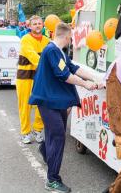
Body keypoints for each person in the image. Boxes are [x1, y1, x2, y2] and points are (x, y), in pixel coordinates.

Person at [29, 23, 99, 193]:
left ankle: (44, 149)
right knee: (58, 135)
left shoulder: (59, 51)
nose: (72, 40)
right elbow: (64, 75)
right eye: (71, 37)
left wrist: (97, 78)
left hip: (56, 100)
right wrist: (86, 85)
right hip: (48, 100)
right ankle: (52, 180)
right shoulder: (52, 50)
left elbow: (74, 68)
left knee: (55, 134)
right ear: (67, 37)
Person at [16, 15, 50, 144]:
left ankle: (38, 129)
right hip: (25, 77)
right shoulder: (25, 39)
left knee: (41, 104)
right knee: (25, 106)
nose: (37, 25)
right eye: (34, 24)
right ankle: (25, 132)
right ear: (29, 26)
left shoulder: (47, 41)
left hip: (40, 77)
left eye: (39, 23)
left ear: (43, 25)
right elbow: (33, 56)